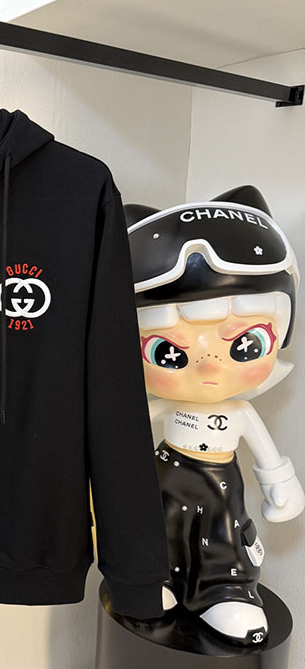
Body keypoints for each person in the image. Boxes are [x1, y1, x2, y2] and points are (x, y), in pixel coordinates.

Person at [125, 185, 303, 644]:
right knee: (158, 531)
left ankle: (224, 591)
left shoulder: (240, 411)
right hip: (165, 476)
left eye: (244, 344)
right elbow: (125, 434)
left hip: (220, 483)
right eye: (169, 352)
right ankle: (155, 579)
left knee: (223, 535)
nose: (209, 367)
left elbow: (266, 454)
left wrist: (281, 484)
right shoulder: (164, 405)